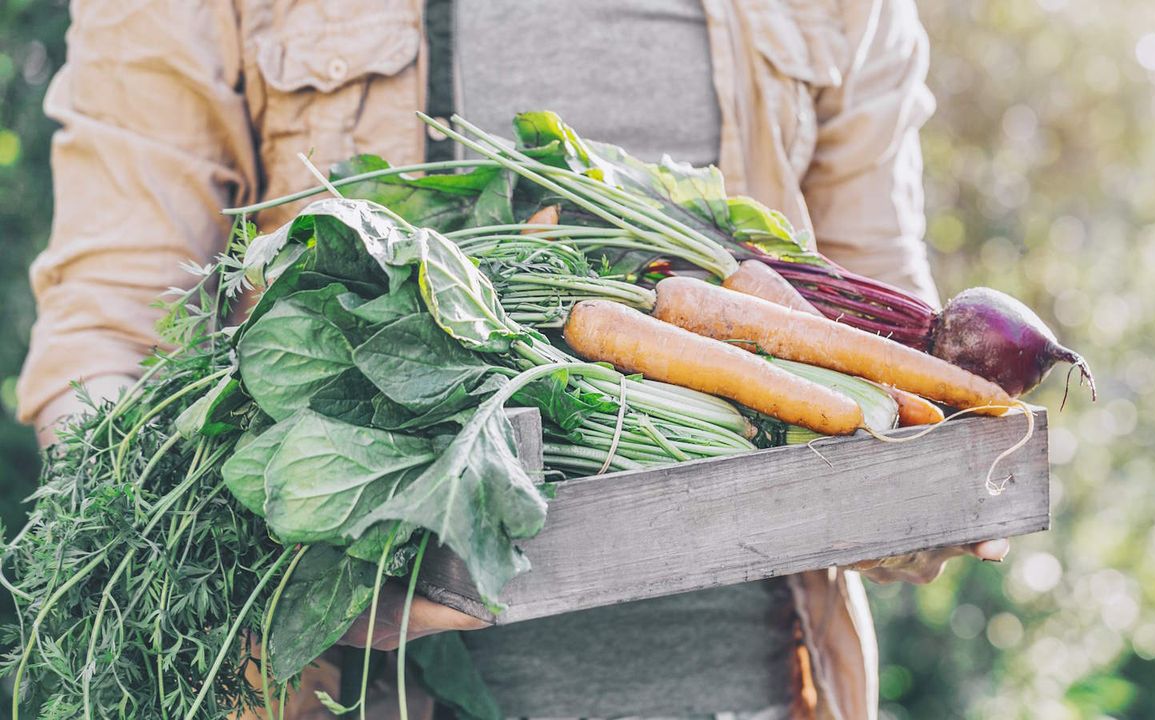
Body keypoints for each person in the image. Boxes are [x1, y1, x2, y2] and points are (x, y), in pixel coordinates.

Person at [19, 0, 1010, 718]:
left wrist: (933, 496)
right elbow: (103, 347)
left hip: (752, 693)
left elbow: (891, 350)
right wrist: (230, 553)